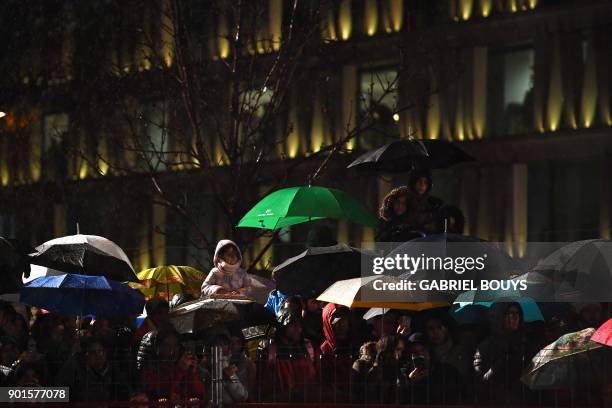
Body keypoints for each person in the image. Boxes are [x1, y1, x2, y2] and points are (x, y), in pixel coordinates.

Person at [473, 302, 536, 405]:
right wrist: (500, 363)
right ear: (499, 316)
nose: (515, 317)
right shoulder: (486, 346)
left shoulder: (525, 344)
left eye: (517, 313)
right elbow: (480, 380)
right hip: (495, 402)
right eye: (510, 313)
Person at [257, 309, 317, 402]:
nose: (298, 329)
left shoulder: (308, 347)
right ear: (282, 327)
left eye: (299, 325)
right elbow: (261, 384)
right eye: (292, 325)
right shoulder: (269, 350)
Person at [141, 327, 205, 403]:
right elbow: (162, 394)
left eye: (175, 346)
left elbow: (199, 394)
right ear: (157, 347)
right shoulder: (149, 369)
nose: (172, 350)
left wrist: (192, 372)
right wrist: (180, 369)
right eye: (167, 345)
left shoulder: (183, 364)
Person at [55, 337, 131, 402]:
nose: (97, 355)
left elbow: (125, 392)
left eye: (100, 351)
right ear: (87, 356)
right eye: (92, 353)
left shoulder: (113, 370)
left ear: (105, 353)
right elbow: (57, 395)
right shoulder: (76, 369)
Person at [403, 332, 463, 405]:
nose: (421, 355)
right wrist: (411, 383)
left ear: (430, 352)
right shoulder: (404, 375)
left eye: (423, 350)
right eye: (415, 352)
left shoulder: (447, 371)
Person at [318, 303, 353, 402]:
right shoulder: (323, 351)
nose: (343, 325)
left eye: (345, 320)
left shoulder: (353, 345)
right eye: (337, 322)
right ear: (328, 323)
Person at [406, 169, 445, 234]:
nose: (422, 185)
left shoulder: (435, 204)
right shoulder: (405, 202)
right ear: (413, 183)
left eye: (425, 182)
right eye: (419, 181)